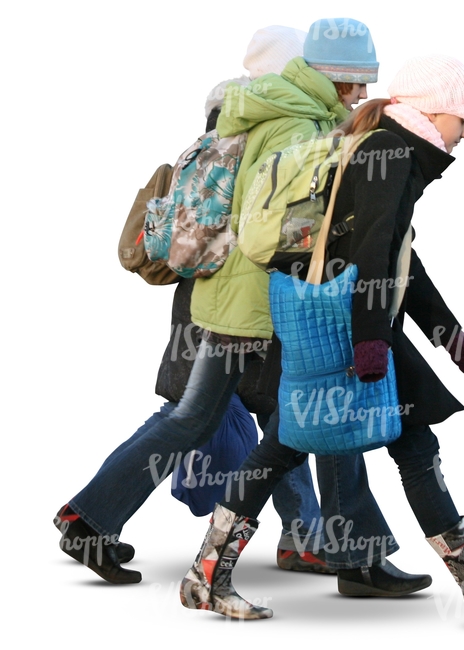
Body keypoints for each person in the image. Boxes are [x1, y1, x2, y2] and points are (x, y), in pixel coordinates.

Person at [179, 54, 464, 626]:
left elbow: (399, 251)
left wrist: (446, 333)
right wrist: (371, 345)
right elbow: (374, 254)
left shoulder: (383, 145)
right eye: (463, 119)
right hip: (348, 326)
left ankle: (208, 574)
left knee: (308, 443)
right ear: (431, 112)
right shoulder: (392, 152)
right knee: (363, 446)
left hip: (338, 322)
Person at [53, 26, 330, 585]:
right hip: (249, 295)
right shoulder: (273, 122)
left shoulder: (228, 116)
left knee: (205, 416)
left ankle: (88, 517)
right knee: (272, 415)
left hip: (205, 295)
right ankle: (303, 537)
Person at [184, 18, 433, 608]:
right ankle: (332, 555)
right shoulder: (297, 122)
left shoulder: (300, 115)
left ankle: (344, 554)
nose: (360, 94)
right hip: (286, 298)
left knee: (298, 430)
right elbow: (288, 226)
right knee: (282, 432)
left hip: (278, 293)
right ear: (330, 75)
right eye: (353, 82)